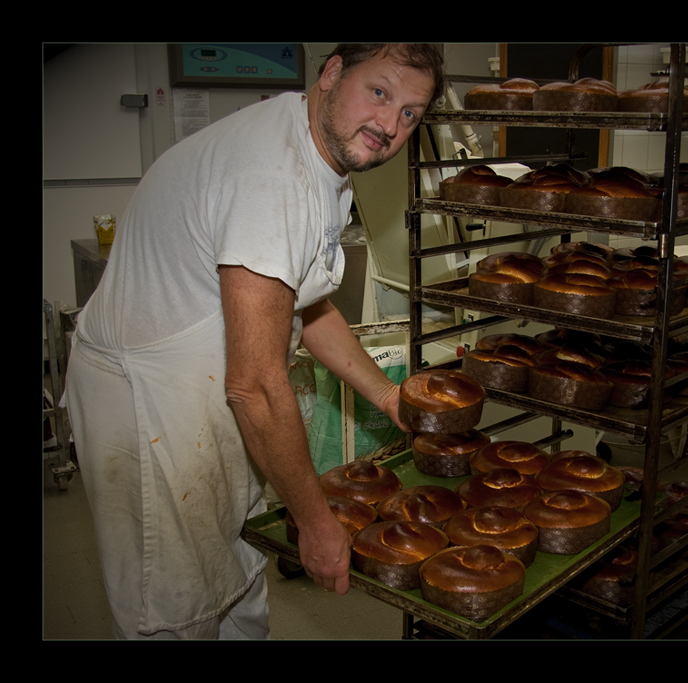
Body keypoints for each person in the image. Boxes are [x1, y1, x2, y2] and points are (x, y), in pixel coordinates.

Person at [63, 43, 445, 639]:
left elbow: (306, 307)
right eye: (380, 92)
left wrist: (389, 398)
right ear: (332, 72)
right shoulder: (273, 177)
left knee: (233, 569)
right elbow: (256, 386)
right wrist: (315, 522)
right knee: (174, 603)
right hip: (150, 399)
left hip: (206, 386)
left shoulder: (320, 157)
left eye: (409, 114)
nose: (389, 126)